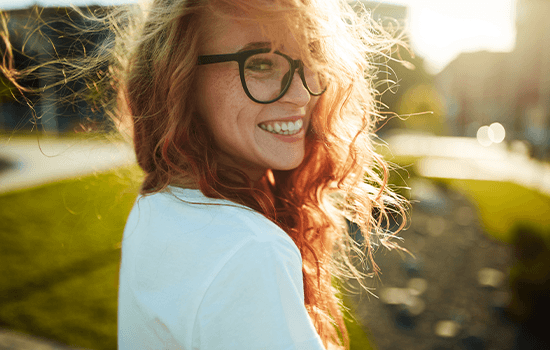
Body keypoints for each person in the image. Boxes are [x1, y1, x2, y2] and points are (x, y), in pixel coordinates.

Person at [2, 0, 406, 349]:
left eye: (313, 58)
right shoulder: (249, 250)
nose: (302, 94)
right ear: (177, 79)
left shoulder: (161, 204)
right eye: (262, 62)